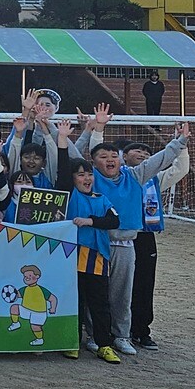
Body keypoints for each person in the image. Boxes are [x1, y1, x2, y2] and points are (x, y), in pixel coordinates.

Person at [85, 115, 189, 357]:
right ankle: (95, 335)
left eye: (113, 157)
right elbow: (93, 150)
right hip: (97, 242)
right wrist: (98, 129)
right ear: (94, 163)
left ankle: (122, 335)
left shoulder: (134, 176)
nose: (109, 160)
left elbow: (159, 160)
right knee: (96, 293)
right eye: (103, 157)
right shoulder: (92, 178)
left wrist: (179, 142)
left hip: (125, 244)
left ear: (120, 161)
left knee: (122, 293)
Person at [54, 119, 122, 364]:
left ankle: (104, 344)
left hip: (97, 260)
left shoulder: (102, 198)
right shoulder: (68, 196)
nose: (86, 179)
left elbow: (114, 221)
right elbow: (62, 171)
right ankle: (72, 342)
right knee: (75, 303)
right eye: (80, 175)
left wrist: (90, 221)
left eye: (88, 175)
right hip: (71, 258)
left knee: (100, 305)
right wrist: (62, 140)